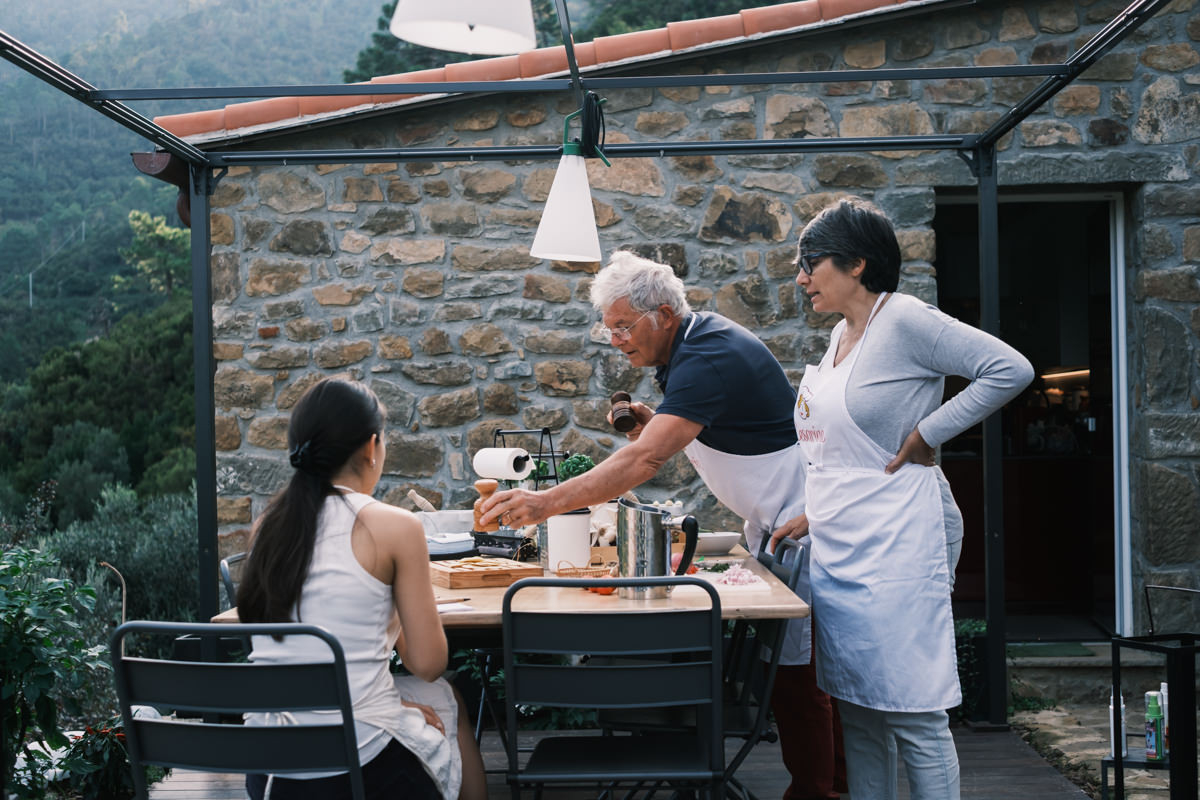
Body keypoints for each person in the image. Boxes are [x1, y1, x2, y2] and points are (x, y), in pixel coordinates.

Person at [479, 250, 846, 799]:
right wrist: (662, 427)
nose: (618, 340)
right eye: (610, 331)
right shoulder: (692, 349)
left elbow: (642, 462)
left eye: (625, 326)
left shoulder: (708, 355)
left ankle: (822, 791)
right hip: (774, 521)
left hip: (800, 524)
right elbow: (703, 429)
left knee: (800, 678)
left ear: (666, 315)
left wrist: (542, 503)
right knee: (793, 673)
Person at [770, 197, 1033, 800]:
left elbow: (1009, 368)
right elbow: (845, 455)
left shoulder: (906, 319)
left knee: (914, 714)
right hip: (842, 545)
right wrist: (816, 513)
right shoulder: (841, 333)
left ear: (857, 263)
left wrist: (929, 431)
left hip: (901, 541)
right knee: (859, 713)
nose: (801, 276)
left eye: (811, 262)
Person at [237, 377, 487, 800]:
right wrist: (395, 606)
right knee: (446, 696)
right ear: (372, 447)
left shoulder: (268, 528)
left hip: (272, 773)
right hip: (363, 770)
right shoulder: (394, 526)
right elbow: (427, 663)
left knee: (416, 699)